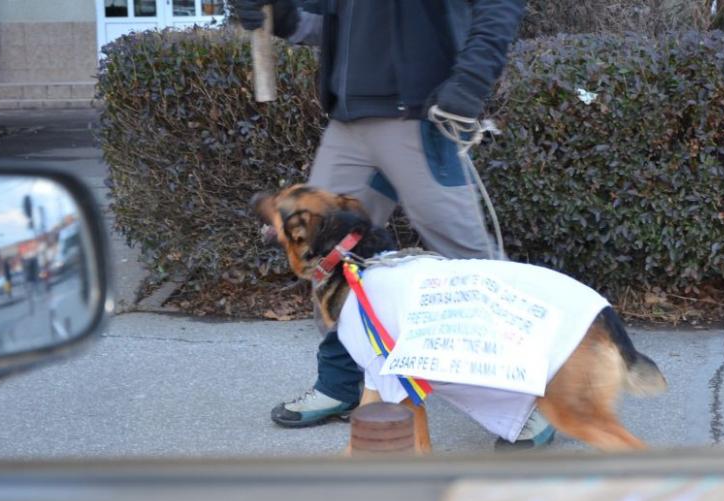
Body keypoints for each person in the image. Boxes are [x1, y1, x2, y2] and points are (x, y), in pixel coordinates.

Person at [234, 0, 556, 449]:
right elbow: (332, 25)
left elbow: (499, 7)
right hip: (348, 124)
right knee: (328, 259)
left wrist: (471, 79)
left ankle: (525, 401)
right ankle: (340, 385)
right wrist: (282, 14)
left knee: (474, 269)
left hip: (420, 118)